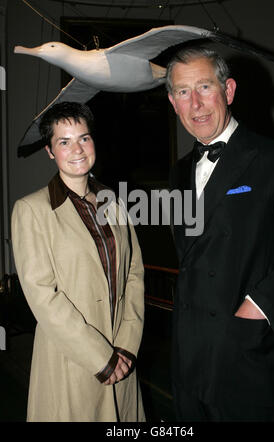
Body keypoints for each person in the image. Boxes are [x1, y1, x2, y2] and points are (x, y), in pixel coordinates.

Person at [167, 46, 274, 422]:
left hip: (248, 362)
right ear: (173, 103)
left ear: (228, 90)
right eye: (182, 92)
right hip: (189, 363)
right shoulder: (178, 172)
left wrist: (262, 303)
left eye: (205, 87)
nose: (195, 103)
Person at [11, 102, 145, 422]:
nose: (77, 149)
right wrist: (101, 357)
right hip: (72, 359)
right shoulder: (31, 210)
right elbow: (43, 296)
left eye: (83, 138)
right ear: (49, 151)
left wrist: (126, 346)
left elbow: (134, 273)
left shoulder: (113, 202)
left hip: (122, 356)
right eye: (64, 141)